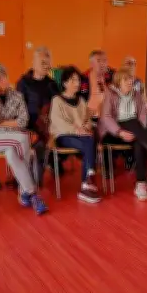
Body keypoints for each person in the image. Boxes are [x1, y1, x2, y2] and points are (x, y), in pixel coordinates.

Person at [0, 61, 48, 214]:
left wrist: (0, 124)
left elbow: (23, 121)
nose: (4, 79)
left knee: (12, 152)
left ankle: (27, 193)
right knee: (23, 139)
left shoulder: (17, 95)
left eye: (4, 75)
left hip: (11, 138)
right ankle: (30, 192)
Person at [98, 70, 147, 201]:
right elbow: (106, 117)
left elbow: (143, 114)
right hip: (113, 133)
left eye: (131, 79)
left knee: (139, 141)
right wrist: (120, 132)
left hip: (134, 131)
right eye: (126, 80)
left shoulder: (136, 94)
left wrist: (140, 131)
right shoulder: (110, 95)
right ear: (118, 82)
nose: (130, 82)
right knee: (131, 121)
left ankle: (141, 183)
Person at [49, 66, 101, 204]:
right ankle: (88, 180)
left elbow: (87, 120)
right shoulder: (57, 100)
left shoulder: (82, 101)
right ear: (65, 83)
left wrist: (86, 126)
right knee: (89, 141)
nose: (77, 83)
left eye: (78, 80)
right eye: (73, 80)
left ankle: (86, 184)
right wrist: (77, 129)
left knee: (89, 140)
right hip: (63, 136)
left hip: (82, 136)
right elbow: (57, 122)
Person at [16, 46, 55, 184]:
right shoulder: (24, 82)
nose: (46, 66)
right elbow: (18, 106)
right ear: (33, 63)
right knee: (38, 136)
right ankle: (31, 170)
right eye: (42, 62)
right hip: (28, 121)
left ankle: (43, 163)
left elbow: (57, 106)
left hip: (47, 122)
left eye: (48, 62)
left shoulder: (52, 84)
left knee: (49, 132)